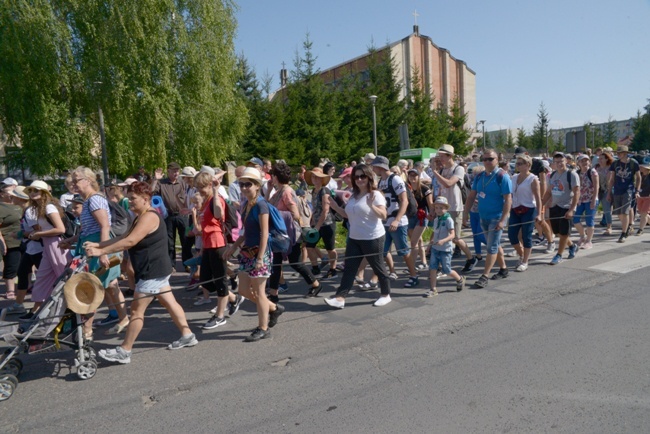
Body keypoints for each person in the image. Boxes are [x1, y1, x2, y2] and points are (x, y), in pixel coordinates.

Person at [86, 181, 198, 364]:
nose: (129, 202)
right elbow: (124, 237)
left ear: (146, 199)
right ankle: (188, 335)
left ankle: (125, 350)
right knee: (169, 302)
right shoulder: (140, 215)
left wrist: (101, 252)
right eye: (128, 198)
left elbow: (130, 242)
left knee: (136, 310)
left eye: (133, 199)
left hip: (152, 270)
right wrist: (99, 244)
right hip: (155, 269)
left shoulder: (149, 217)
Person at [61, 166, 126, 338]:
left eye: (76, 181)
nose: (73, 184)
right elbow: (88, 228)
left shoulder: (95, 200)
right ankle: (124, 318)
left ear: (88, 181)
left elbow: (105, 226)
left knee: (93, 287)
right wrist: (72, 240)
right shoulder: (88, 200)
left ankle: (87, 330)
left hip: (99, 246)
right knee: (110, 285)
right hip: (92, 245)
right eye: (72, 181)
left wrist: (103, 252)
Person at [223, 168, 284, 342]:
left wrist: (260, 258)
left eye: (248, 184)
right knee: (242, 290)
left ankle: (263, 328)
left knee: (259, 292)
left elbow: (264, 233)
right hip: (246, 252)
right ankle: (273, 308)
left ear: (257, 186)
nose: (243, 187)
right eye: (241, 184)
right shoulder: (245, 204)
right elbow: (244, 232)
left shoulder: (261, 205)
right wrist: (232, 248)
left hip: (260, 253)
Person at [324, 164, 392, 308]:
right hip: (355, 237)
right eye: (357, 176)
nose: (360, 179)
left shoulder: (375, 194)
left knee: (378, 266)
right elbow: (346, 215)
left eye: (363, 176)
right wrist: (334, 206)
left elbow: (384, 215)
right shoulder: (354, 195)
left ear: (368, 177)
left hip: (372, 237)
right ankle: (340, 298)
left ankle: (386, 294)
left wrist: (371, 206)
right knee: (350, 268)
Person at [186, 172, 244, 328]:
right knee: (206, 281)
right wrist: (202, 249)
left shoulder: (215, 200)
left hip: (218, 245)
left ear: (210, 185)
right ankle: (233, 298)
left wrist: (217, 191)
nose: (200, 190)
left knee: (220, 281)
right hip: (208, 245)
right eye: (197, 187)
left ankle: (220, 316)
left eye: (202, 187)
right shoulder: (205, 202)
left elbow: (219, 214)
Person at [267, 162, 321, 300]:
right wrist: (268, 190)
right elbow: (267, 206)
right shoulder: (278, 191)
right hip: (279, 233)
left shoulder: (286, 191)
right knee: (276, 263)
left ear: (276, 176)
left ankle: (315, 284)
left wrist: (278, 215)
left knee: (295, 263)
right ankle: (273, 293)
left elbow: (295, 214)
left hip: (289, 233)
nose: (271, 177)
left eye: (272, 175)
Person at [463, 149, 513, 288]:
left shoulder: (503, 176)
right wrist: (465, 213)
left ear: (497, 159)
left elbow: (508, 199)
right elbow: (472, 196)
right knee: (494, 244)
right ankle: (503, 269)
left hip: (496, 217)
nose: (487, 162)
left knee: (491, 246)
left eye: (490, 159)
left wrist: (503, 220)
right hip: (482, 216)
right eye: (484, 159)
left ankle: (484, 275)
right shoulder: (479, 177)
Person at [430, 144, 479, 273]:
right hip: (443, 208)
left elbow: (448, 184)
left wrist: (435, 171)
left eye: (442, 156)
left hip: (455, 208)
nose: (440, 159)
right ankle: (442, 265)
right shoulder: (442, 170)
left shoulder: (458, 169)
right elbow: (440, 189)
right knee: (440, 236)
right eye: (439, 156)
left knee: (456, 238)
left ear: (449, 156)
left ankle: (471, 258)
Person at [371, 156, 419, 287]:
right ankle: (376, 279)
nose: (372, 169)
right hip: (385, 222)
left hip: (398, 222)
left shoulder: (395, 179)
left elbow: (404, 200)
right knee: (381, 252)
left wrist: (397, 220)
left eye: (374, 166)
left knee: (403, 251)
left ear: (380, 167)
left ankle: (414, 276)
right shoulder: (382, 181)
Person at [22, 181, 69, 314]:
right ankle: (36, 310)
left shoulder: (49, 208)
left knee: (62, 277)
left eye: (35, 190)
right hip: (48, 244)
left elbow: (61, 229)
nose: (32, 193)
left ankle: (70, 309)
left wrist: (38, 233)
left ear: (43, 193)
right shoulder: (39, 208)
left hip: (56, 244)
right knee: (42, 277)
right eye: (30, 191)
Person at [541, 153, 580, 265]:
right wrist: (541, 205)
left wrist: (572, 209)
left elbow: (577, 192)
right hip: (555, 206)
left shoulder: (571, 174)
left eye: (561, 161)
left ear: (565, 161)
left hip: (566, 207)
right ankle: (572, 246)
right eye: (556, 162)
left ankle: (559, 255)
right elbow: (549, 192)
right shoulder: (553, 175)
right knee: (558, 232)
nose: (559, 164)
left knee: (563, 233)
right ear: (553, 163)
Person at [423, 197, 465, 297]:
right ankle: (433, 289)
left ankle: (460, 279)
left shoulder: (448, 220)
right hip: (435, 249)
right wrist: (429, 246)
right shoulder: (436, 219)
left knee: (447, 270)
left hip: (445, 249)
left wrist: (443, 241)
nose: (438, 210)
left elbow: (452, 235)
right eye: (436, 208)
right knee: (432, 268)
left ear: (446, 208)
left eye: (441, 208)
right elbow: (434, 233)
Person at [507, 155, 542, 272]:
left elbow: (538, 198)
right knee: (512, 235)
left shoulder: (533, 179)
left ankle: (525, 261)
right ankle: (522, 254)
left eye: (520, 163)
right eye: (517, 163)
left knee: (526, 236)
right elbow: (510, 194)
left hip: (528, 209)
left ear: (528, 165)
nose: (517, 165)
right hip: (515, 209)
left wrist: (539, 214)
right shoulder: (514, 177)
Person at [151, 162, 189, 268]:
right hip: (168, 216)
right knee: (169, 241)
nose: (176, 173)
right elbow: (150, 192)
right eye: (173, 171)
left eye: (177, 171)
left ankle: (187, 263)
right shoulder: (161, 183)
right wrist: (155, 179)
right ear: (168, 171)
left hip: (182, 215)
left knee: (185, 240)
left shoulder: (183, 183)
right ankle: (171, 265)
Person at [305, 167, 338, 278]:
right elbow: (315, 209)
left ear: (322, 179)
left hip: (327, 224)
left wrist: (317, 227)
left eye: (318, 177)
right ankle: (315, 269)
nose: (315, 179)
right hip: (316, 224)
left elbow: (325, 210)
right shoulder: (314, 191)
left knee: (330, 248)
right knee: (309, 245)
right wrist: (312, 221)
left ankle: (333, 270)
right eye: (313, 177)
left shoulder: (325, 191)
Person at [607, 145, 641, 243]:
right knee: (619, 213)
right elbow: (612, 179)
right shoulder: (615, 163)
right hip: (617, 190)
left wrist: (637, 191)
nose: (618, 154)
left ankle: (623, 233)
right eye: (617, 153)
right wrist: (609, 193)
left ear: (626, 153)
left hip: (628, 190)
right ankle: (627, 227)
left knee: (625, 212)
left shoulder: (633, 163)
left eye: (620, 153)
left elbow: (638, 177)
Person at [0, 183, 23, 301]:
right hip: (10, 241)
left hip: (23, 240)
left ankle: (26, 287)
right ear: (2, 194)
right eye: (10, 192)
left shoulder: (18, 205)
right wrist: (2, 242)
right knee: (11, 265)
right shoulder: (1, 207)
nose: (13, 194)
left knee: (24, 266)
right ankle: (10, 290)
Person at [406, 169, 433, 271]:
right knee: (419, 241)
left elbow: (430, 203)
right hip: (410, 216)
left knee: (413, 242)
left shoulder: (424, 188)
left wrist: (431, 214)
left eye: (415, 175)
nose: (413, 177)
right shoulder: (407, 188)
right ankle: (424, 262)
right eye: (410, 175)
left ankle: (411, 266)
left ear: (419, 176)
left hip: (422, 216)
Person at [573, 155, 599, 249]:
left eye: (586, 160)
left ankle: (589, 240)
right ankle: (582, 235)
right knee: (575, 219)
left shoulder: (592, 172)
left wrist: (593, 200)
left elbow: (596, 186)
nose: (585, 162)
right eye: (582, 161)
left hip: (591, 199)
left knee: (589, 220)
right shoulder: (577, 173)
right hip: (581, 200)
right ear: (578, 163)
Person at [595, 152, 614, 236]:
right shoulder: (596, 168)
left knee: (607, 210)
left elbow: (610, 182)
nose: (600, 160)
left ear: (607, 159)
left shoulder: (610, 168)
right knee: (593, 208)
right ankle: (590, 227)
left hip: (606, 190)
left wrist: (609, 193)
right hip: (597, 190)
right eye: (599, 158)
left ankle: (609, 227)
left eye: (602, 158)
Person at [635, 164, 650, 235]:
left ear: (647, 169)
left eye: (642, 167)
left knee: (644, 213)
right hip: (640, 196)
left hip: (648, 197)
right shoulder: (639, 176)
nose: (640, 168)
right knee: (643, 213)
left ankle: (640, 229)